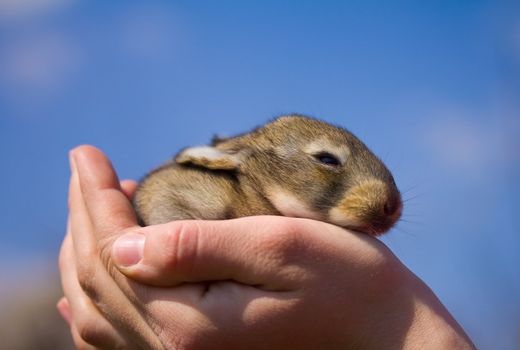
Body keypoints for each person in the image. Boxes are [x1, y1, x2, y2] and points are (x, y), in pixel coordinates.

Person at [57, 145, 475, 349]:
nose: (391, 202)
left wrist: (401, 324)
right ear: (228, 159)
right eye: (328, 160)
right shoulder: (210, 185)